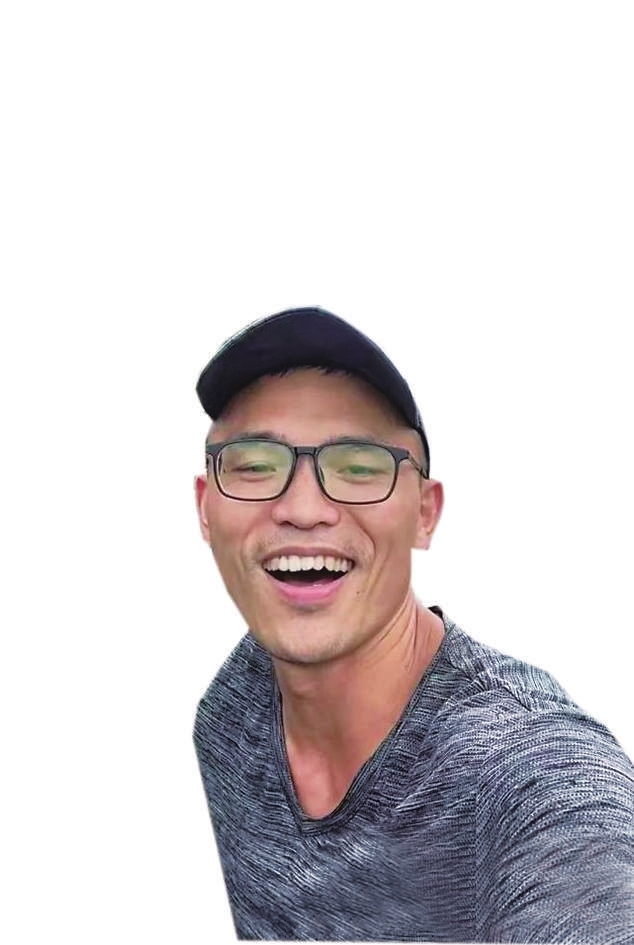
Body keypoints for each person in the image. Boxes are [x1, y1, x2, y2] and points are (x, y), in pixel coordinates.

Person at [193, 306, 634, 943]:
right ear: (205, 509)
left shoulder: (528, 777)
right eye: (255, 465)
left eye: (359, 468)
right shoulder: (233, 712)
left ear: (425, 514)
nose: (303, 508)